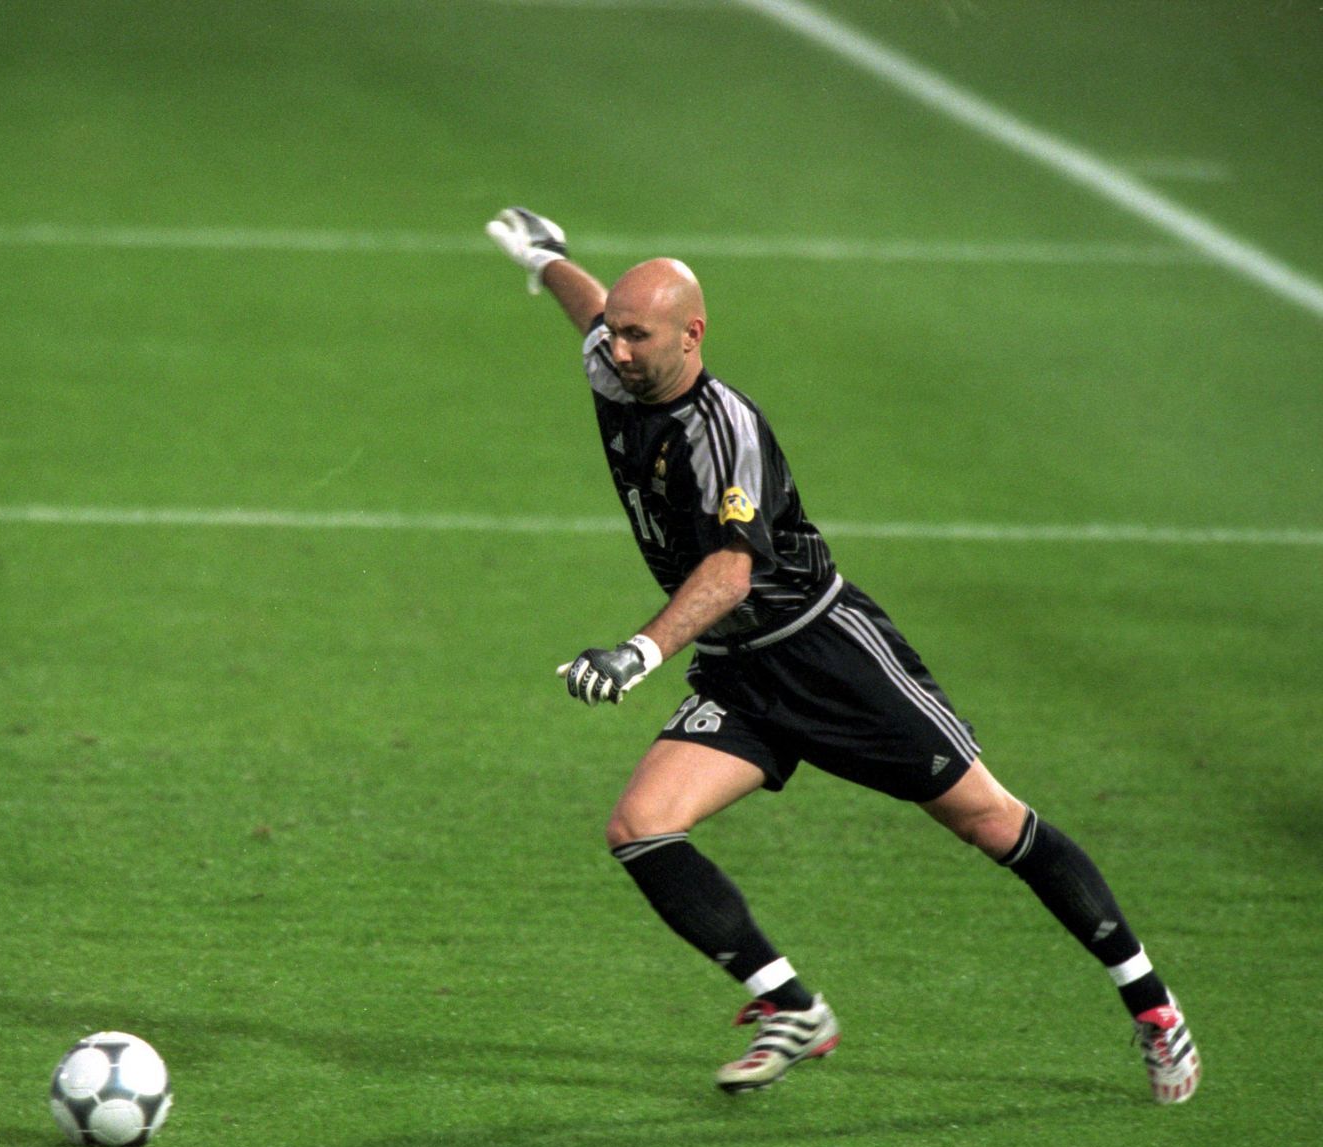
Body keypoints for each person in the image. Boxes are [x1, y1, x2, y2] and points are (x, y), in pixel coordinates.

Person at [484, 206, 1200, 1102]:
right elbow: (590, 308)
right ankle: (790, 1005)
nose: (617, 350)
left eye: (638, 336)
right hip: (744, 675)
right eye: (616, 334)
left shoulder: (723, 429)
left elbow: (731, 572)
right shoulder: (613, 363)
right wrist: (548, 257)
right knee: (640, 826)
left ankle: (1153, 1008)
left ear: (691, 335)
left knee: (993, 822)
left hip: (828, 657)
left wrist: (637, 652)